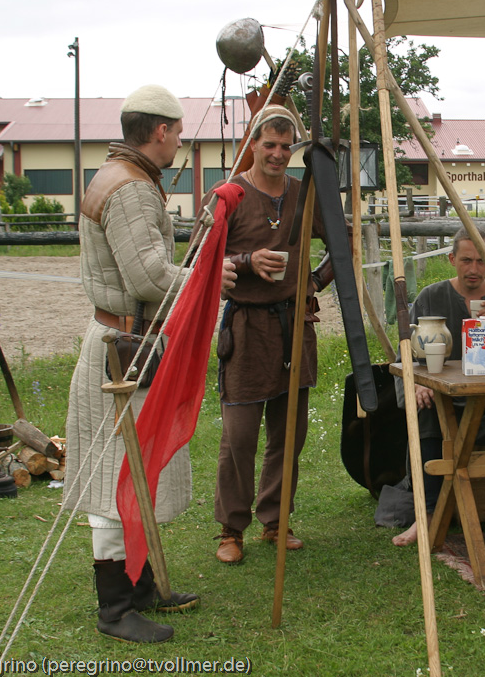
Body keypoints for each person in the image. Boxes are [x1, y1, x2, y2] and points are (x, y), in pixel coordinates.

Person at [65, 85, 236, 643]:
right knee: (115, 478)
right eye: (178, 132)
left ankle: (138, 588)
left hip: (127, 343)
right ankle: (115, 609)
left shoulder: (120, 176)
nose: (180, 141)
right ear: (160, 130)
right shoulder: (132, 188)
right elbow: (147, 278)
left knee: (135, 473)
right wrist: (208, 277)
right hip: (122, 349)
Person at [205, 105, 341, 565]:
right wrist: (246, 262)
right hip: (246, 329)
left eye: (286, 146)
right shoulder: (229, 196)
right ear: (254, 144)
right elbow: (200, 260)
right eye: (270, 145)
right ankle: (231, 529)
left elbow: (341, 243)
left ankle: (276, 521)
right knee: (239, 437)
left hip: (294, 327)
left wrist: (314, 283)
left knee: (289, 436)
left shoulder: (305, 195)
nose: (279, 154)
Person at [392, 225, 485, 546]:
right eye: (467, 260)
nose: (474, 269)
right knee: (425, 406)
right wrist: (418, 386)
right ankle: (427, 514)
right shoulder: (431, 297)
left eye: (482, 261)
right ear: (452, 259)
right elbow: (406, 355)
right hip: (443, 399)